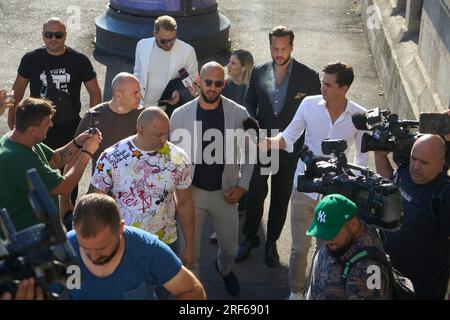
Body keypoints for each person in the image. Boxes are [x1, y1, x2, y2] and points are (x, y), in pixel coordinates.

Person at [260, 62, 368, 299]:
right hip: (305, 188)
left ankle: (319, 292)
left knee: (327, 251)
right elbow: (289, 136)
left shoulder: (359, 116)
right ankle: (296, 293)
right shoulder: (309, 104)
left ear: (344, 88)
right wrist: (268, 142)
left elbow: (362, 159)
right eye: (322, 82)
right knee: (299, 250)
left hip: (334, 196)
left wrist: (353, 189)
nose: (322, 88)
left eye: (328, 84)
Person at [235, 26, 321, 268]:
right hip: (263, 143)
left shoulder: (309, 76)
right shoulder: (259, 71)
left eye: (284, 48)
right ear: (270, 46)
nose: (279, 52)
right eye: (275, 47)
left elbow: (314, 112)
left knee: (281, 197)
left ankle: (271, 242)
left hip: (289, 146)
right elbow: (249, 102)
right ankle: (249, 237)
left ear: (292, 47)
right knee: (255, 193)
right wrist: (254, 127)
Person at [170, 61, 255, 297]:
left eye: (218, 83)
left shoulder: (239, 113)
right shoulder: (180, 114)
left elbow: (250, 151)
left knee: (229, 248)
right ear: (199, 81)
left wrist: (242, 185)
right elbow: (173, 156)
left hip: (225, 192)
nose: (212, 88)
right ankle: (194, 294)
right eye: (208, 82)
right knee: (190, 252)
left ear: (224, 84)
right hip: (191, 194)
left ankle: (224, 269)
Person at [90, 107, 195, 270]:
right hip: (125, 243)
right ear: (141, 129)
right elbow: (97, 204)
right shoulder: (111, 157)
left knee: (163, 293)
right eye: (158, 135)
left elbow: (185, 203)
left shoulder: (178, 157)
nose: (164, 140)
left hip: (165, 242)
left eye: (166, 133)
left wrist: (190, 244)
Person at [66, 193, 206, 300]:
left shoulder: (148, 251)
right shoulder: (64, 248)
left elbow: (193, 291)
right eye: (85, 248)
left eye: (101, 248)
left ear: (120, 228)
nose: (94, 256)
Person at [0, 98, 101, 232]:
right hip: (26, 238)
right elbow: (63, 187)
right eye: (47, 122)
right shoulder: (17, 158)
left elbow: (55, 159)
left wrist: (78, 142)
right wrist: (87, 152)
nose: (51, 125)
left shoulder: (19, 138)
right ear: (32, 129)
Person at [59, 72, 145, 224]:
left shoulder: (143, 116)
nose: (140, 96)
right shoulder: (93, 118)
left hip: (136, 200)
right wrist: (65, 201)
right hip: (101, 198)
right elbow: (73, 160)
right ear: (118, 94)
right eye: (135, 92)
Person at [7, 17, 102, 149]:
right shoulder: (31, 59)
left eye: (58, 35)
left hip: (69, 127)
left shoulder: (79, 60)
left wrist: (91, 123)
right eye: (48, 35)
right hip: (36, 126)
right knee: (35, 167)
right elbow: (18, 89)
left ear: (65, 35)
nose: (53, 39)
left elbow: (95, 92)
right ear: (42, 35)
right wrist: (12, 116)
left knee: (65, 167)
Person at [375, 134, 450, 299]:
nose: (416, 166)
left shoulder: (445, 194)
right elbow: (387, 185)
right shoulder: (403, 173)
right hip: (388, 276)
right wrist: (379, 156)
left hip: (421, 289)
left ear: (441, 164)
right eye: (413, 158)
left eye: (424, 162)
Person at [305, 194, 391, 300]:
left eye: (332, 233)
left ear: (353, 224)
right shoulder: (343, 238)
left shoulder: (368, 268)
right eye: (323, 233)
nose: (326, 240)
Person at [209, 49, 254, 244]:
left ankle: (235, 218)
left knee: (241, 177)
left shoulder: (252, 89)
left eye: (233, 63)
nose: (229, 65)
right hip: (223, 139)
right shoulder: (224, 86)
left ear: (244, 67)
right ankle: (223, 225)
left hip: (244, 139)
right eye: (229, 61)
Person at [133, 15, 198, 112]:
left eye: (172, 40)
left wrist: (179, 92)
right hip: (141, 106)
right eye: (163, 41)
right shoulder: (142, 45)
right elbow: (137, 74)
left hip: (167, 110)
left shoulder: (187, 51)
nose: (168, 45)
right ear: (155, 33)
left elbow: (194, 81)